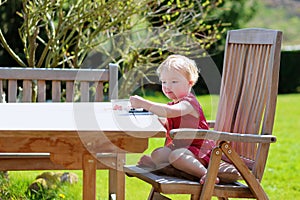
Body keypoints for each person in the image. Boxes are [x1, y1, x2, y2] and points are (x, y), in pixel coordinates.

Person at [129, 54, 218, 184]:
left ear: (190, 83)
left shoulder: (188, 103)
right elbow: (168, 121)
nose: (167, 86)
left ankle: (208, 175)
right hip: (181, 147)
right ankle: (158, 165)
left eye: (174, 82)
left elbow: (169, 112)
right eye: (164, 82)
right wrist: (153, 117)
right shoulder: (174, 104)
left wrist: (144, 103)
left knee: (176, 156)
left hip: (199, 151)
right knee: (157, 154)